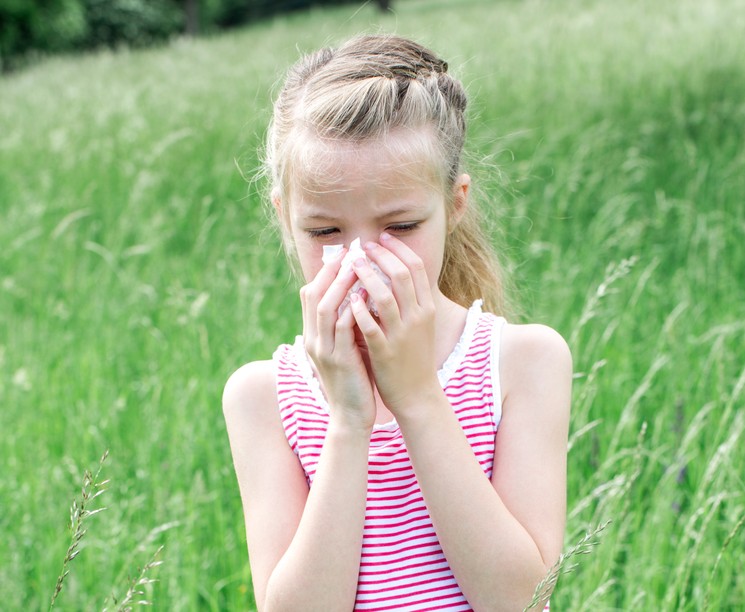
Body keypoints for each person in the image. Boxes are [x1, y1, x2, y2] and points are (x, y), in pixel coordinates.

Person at [223, 34, 572, 611]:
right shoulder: (264, 397)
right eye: (324, 232)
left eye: (402, 226)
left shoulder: (522, 363)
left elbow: (518, 601)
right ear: (285, 218)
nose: (362, 260)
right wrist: (348, 423)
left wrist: (415, 396)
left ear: (454, 204)